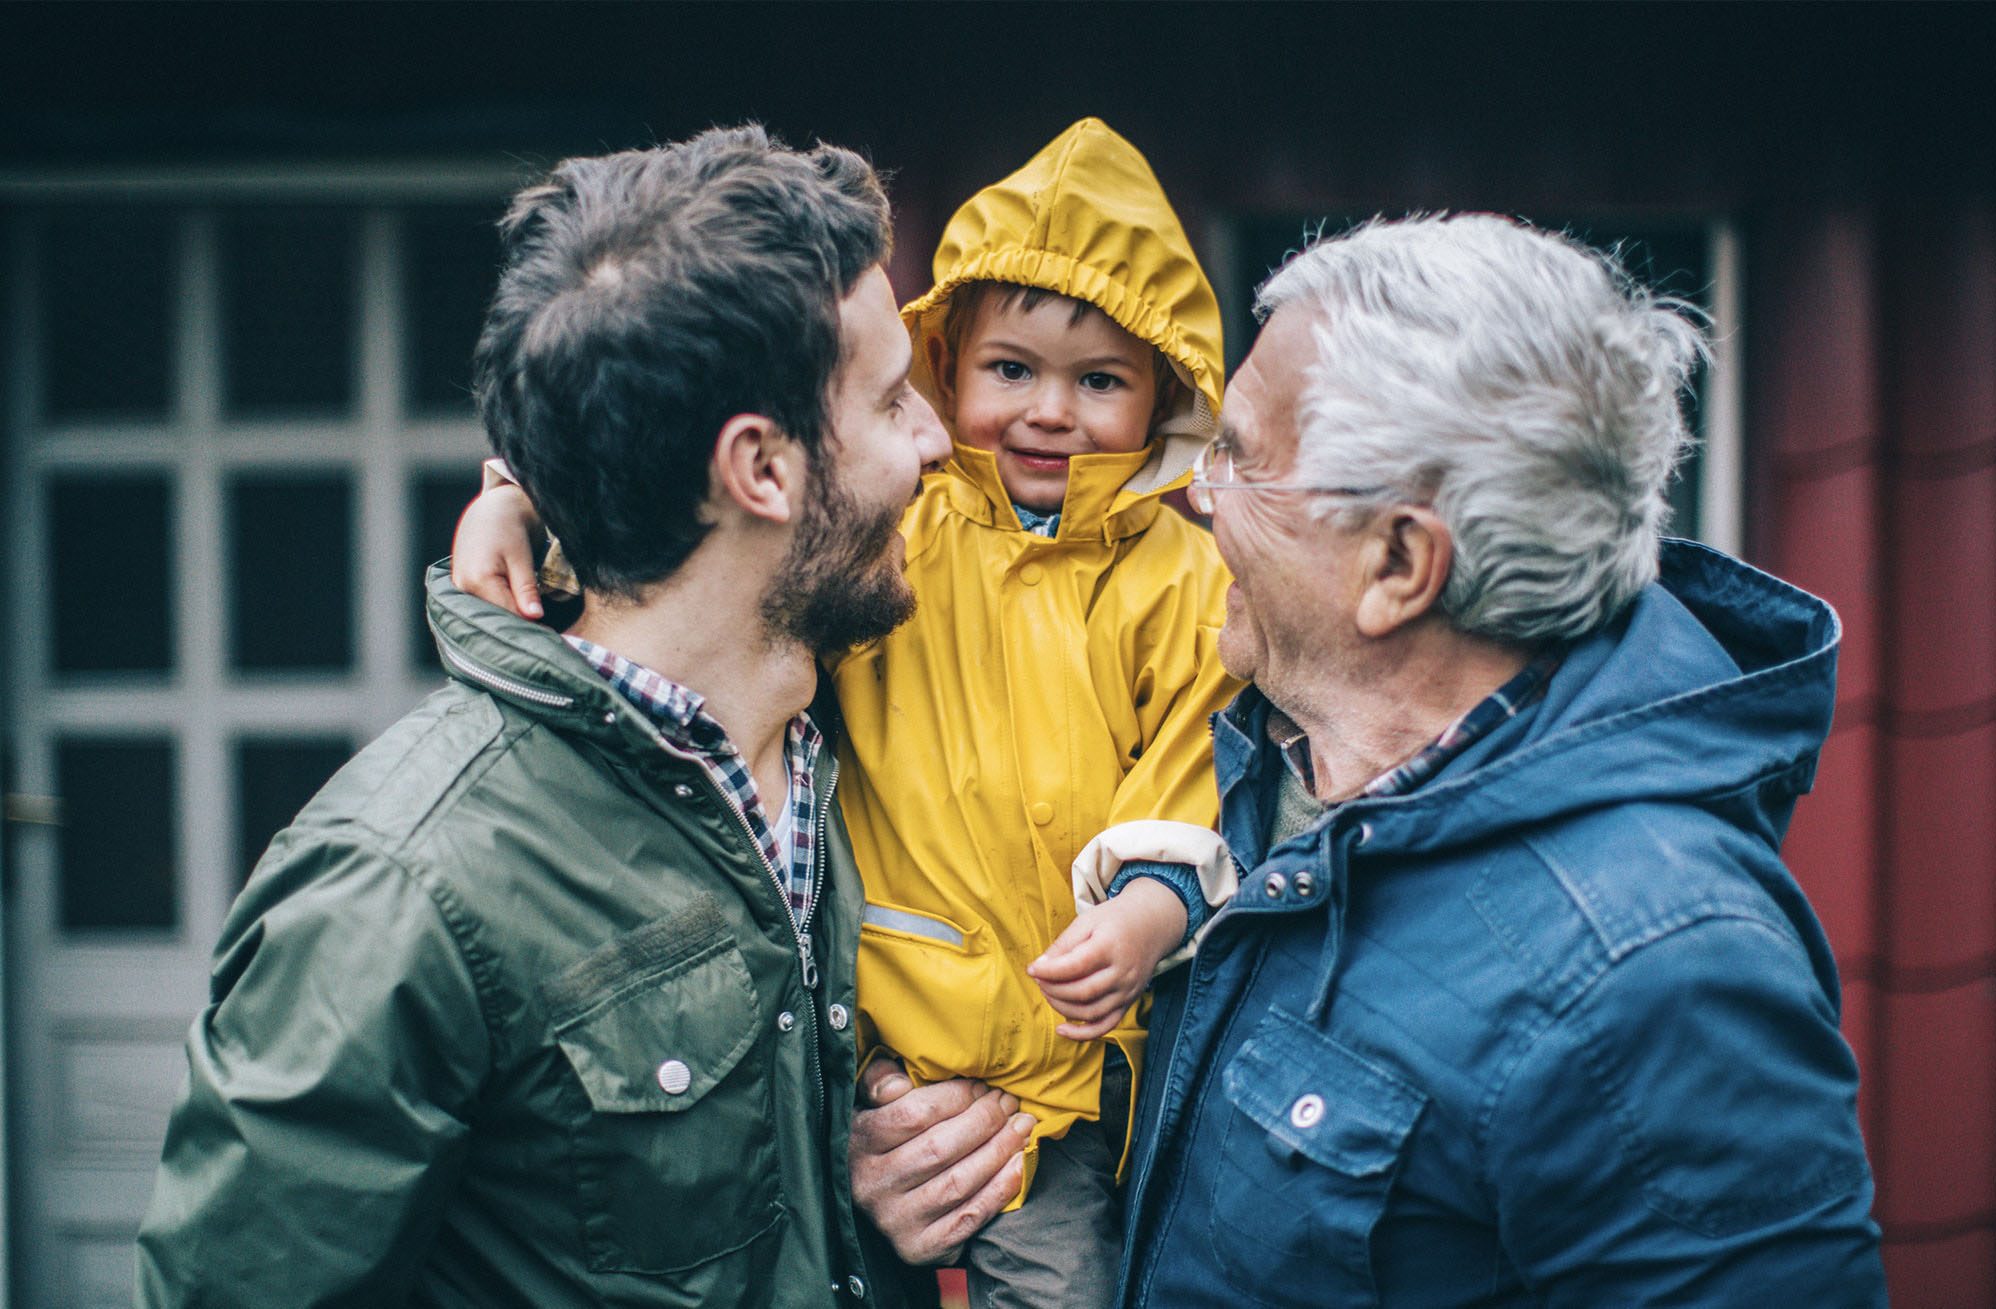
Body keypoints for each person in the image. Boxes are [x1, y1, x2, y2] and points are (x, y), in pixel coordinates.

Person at [135, 126, 966, 1307]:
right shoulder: (400, 889)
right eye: (891, 401)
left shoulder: (840, 734)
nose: (937, 440)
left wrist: (851, 1191)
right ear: (760, 471)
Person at [452, 117, 1244, 1309]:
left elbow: (1193, 752)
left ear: (1165, 396)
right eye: (1009, 370)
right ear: (948, 368)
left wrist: (1149, 902)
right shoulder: (899, 526)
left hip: (1074, 1046)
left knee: (1103, 1271)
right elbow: (688, 545)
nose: (1049, 413)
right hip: (885, 1020)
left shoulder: (1178, 579)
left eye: (1101, 383)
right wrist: (523, 504)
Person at [1111, 213, 1887, 1304]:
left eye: (1240, 456)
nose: (1196, 492)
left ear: (1396, 562)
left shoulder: (1656, 976)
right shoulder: (1271, 762)